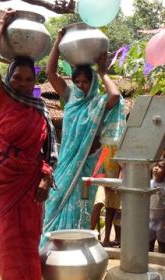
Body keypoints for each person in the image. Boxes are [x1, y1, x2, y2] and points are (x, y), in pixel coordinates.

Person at [0, 8, 57, 280]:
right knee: (9, 239)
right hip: (4, 181)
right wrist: (1, 22)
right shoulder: (0, 96)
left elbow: (48, 149)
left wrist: (45, 177)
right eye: (18, 77)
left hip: (30, 182)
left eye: (29, 79)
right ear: (9, 77)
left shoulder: (39, 108)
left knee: (28, 238)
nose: (24, 83)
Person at [41, 28, 126, 247]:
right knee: (53, 205)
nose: (80, 85)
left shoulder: (98, 104)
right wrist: (58, 40)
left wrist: (102, 72)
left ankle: (76, 249)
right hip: (66, 165)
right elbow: (50, 73)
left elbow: (115, 96)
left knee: (81, 207)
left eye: (85, 82)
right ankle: (49, 248)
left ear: (92, 83)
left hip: (85, 166)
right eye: (77, 81)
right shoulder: (69, 97)